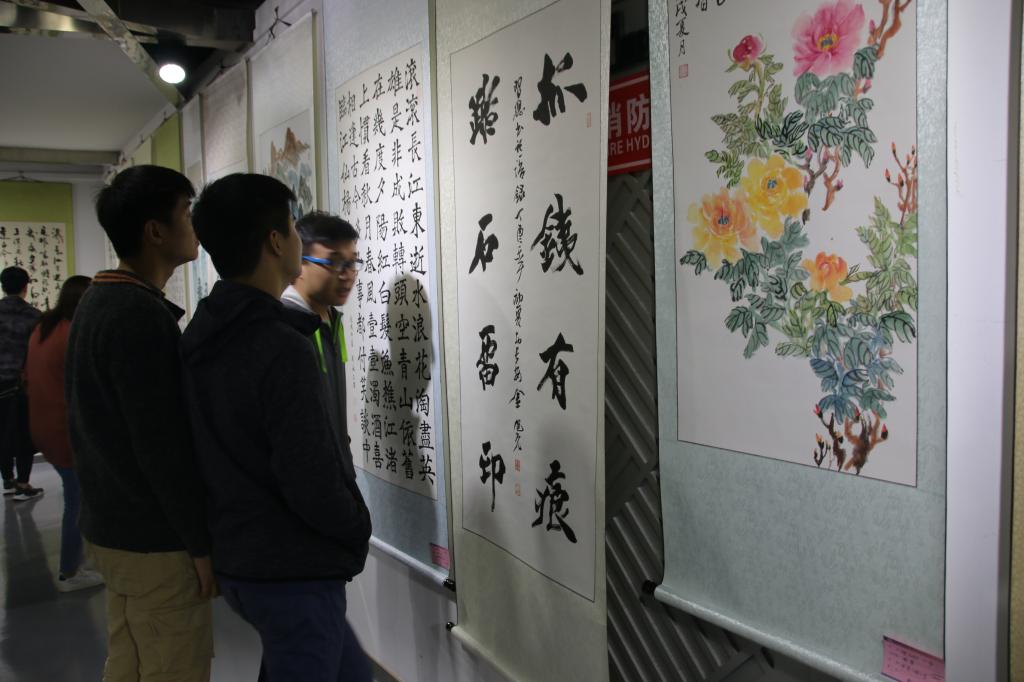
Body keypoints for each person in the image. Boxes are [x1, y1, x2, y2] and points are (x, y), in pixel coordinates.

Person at [182, 174, 372, 682]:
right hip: (291, 566)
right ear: (275, 241)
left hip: (245, 555)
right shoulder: (280, 344)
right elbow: (307, 472)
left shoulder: (206, 329)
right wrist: (355, 526)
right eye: (291, 226)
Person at [66, 165, 215, 681]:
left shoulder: (99, 300)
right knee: (173, 664)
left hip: (112, 528)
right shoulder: (138, 316)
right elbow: (162, 447)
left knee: (129, 658)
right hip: (152, 540)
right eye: (186, 213)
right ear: (155, 231)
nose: (194, 225)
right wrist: (199, 544)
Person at [24, 275, 104, 592]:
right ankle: (69, 572)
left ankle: (84, 558)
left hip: (44, 426)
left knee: (79, 496)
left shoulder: (45, 328)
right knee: (77, 501)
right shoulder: (72, 334)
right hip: (65, 430)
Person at [281, 211, 362, 478]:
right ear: (299, 263)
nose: (347, 275)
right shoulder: (287, 328)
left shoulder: (331, 319)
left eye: (352, 263)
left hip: (338, 477)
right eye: (334, 262)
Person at [0, 265, 42, 501]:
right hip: (20, 384)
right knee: (23, 433)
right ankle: (23, 483)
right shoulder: (34, 316)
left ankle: (7, 478)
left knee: (1, 431)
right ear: (26, 287)